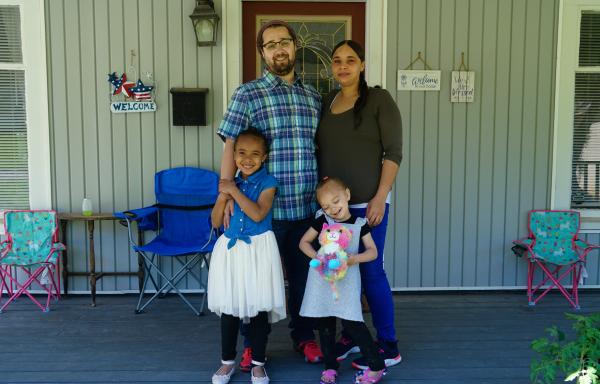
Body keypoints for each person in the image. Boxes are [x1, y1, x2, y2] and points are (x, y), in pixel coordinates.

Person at [216, 20, 323, 367]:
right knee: (256, 284)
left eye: (284, 42)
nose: (279, 49)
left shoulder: (314, 97)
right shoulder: (247, 94)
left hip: (305, 208)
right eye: (270, 44)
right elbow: (231, 144)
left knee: (304, 281)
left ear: (295, 46)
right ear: (262, 53)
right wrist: (225, 194)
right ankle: (252, 345)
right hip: (264, 213)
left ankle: (304, 338)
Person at [316, 40, 403, 370]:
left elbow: (393, 153)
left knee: (369, 272)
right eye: (337, 60)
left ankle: (388, 344)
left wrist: (380, 197)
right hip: (333, 210)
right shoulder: (327, 102)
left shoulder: (379, 100)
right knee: (340, 274)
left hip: (368, 205)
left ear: (362, 64)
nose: (343, 66)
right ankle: (353, 335)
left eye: (350, 60)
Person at [208, 128, 286, 384]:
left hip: (259, 250)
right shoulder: (231, 183)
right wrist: (223, 195)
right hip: (232, 251)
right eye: (241, 153)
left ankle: (258, 363)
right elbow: (216, 221)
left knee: (258, 308)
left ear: (264, 156)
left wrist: (234, 190)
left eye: (255, 154)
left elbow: (257, 214)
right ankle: (227, 361)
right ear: (234, 155)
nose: (247, 159)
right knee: (230, 309)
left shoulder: (268, 183)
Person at [299, 177, 387, 383]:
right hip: (322, 282)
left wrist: (354, 258)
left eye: (336, 201)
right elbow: (303, 242)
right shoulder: (322, 221)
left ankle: (376, 366)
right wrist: (317, 257)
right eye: (326, 206)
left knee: (354, 322)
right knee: (325, 325)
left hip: (347, 283)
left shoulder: (359, 225)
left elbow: (373, 252)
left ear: (347, 195)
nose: (332, 209)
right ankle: (330, 367)